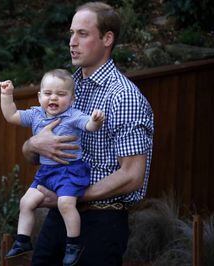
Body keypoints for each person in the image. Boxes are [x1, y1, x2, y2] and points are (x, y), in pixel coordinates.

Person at [22, 2, 154, 266]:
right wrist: (32, 144)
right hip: (60, 216)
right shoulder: (65, 89)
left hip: (101, 222)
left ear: (107, 39)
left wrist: (72, 195)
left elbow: (132, 176)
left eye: (82, 34)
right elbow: (34, 153)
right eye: (71, 33)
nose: (72, 42)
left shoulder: (124, 97)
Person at [0, 69, 105, 265]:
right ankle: (23, 240)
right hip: (46, 173)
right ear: (39, 97)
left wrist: (95, 120)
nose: (53, 98)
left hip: (70, 171)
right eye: (48, 94)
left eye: (61, 94)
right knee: (26, 202)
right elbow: (11, 116)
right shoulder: (36, 114)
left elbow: (89, 126)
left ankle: (73, 244)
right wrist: (6, 95)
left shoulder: (73, 115)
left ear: (72, 99)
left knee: (65, 203)